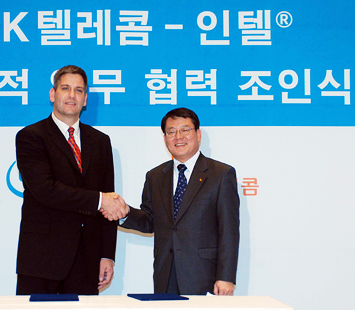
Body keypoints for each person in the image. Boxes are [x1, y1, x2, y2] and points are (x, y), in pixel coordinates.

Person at [15, 65, 127, 295]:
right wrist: (99, 200)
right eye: (65, 88)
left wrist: (107, 255)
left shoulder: (100, 141)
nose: (71, 95)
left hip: (87, 261)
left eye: (78, 90)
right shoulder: (31, 137)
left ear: (85, 99)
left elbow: (109, 196)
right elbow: (45, 190)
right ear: (53, 94)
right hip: (42, 259)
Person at [106, 107, 239, 295]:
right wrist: (125, 213)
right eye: (171, 132)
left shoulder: (221, 174)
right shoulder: (155, 176)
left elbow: (229, 231)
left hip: (205, 277)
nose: (178, 137)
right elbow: (150, 220)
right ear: (165, 138)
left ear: (198, 134)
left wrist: (226, 277)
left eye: (185, 130)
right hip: (165, 275)